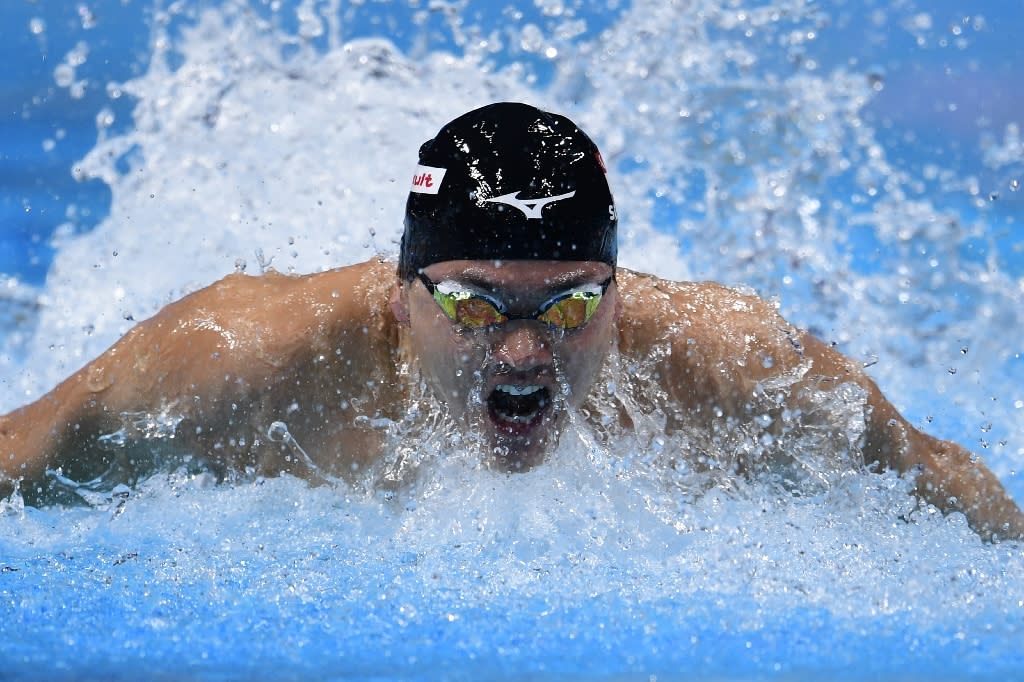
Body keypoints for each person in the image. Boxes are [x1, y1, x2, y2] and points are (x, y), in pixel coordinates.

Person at [1, 102, 1021, 540]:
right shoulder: (233, 364)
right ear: (404, 297)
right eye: (476, 304)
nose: (527, 349)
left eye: (572, 302)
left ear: (620, 296)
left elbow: (951, 489)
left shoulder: (736, 365)